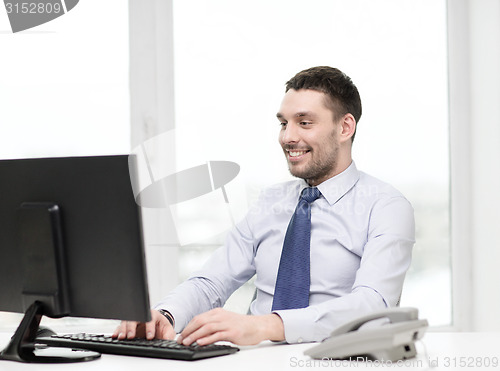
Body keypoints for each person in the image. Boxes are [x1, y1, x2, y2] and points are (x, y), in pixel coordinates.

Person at [113, 66, 415, 346]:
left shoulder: (386, 206)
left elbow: (374, 305)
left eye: (304, 123)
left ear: (345, 127)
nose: (288, 137)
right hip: (254, 358)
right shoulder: (271, 201)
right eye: (283, 123)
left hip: (330, 358)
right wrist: (165, 314)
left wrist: (264, 326)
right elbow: (212, 281)